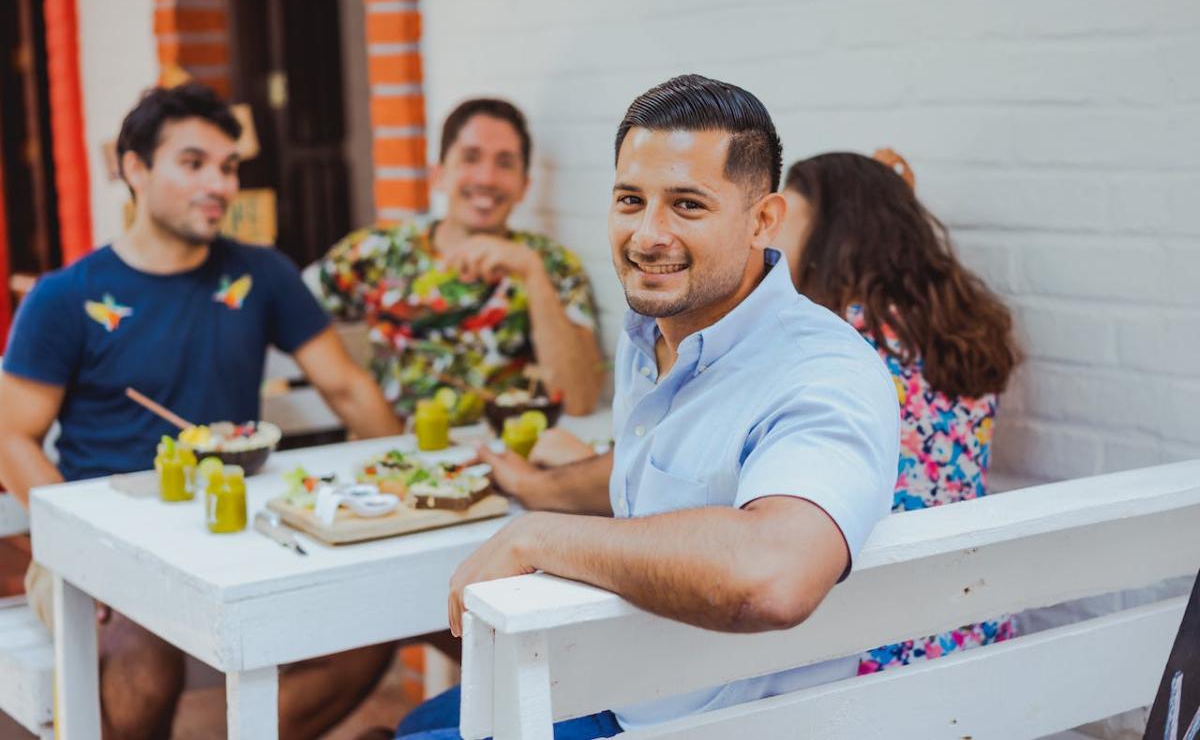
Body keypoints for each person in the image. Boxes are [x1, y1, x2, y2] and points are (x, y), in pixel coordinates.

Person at [391, 75, 900, 740]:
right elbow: (656, 472)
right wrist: (537, 489)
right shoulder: (654, 331)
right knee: (417, 721)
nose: (648, 235)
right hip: (620, 681)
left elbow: (773, 573)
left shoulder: (822, 368)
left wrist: (535, 534)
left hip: (706, 725)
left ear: (763, 221)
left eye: (687, 205)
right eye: (630, 200)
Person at [0, 83, 404, 740]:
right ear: (135, 168)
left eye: (229, 166)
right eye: (194, 164)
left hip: (237, 528)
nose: (219, 184)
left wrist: (408, 478)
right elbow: (11, 438)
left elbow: (348, 388)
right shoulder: (65, 296)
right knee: (141, 649)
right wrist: (83, 555)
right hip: (100, 543)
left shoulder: (263, 273)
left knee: (368, 621)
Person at [779, 150, 1020, 673]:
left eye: (785, 223)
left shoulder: (825, 339)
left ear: (831, 241)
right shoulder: (960, 324)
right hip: (974, 620)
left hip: (871, 642)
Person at [309, 98, 602, 419]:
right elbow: (289, 302)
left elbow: (580, 400)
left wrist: (533, 274)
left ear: (524, 186)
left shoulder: (551, 264)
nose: (486, 178)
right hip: (398, 446)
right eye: (470, 158)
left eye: (505, 163)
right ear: (438, 175)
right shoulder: (377, 253)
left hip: (511, 444)